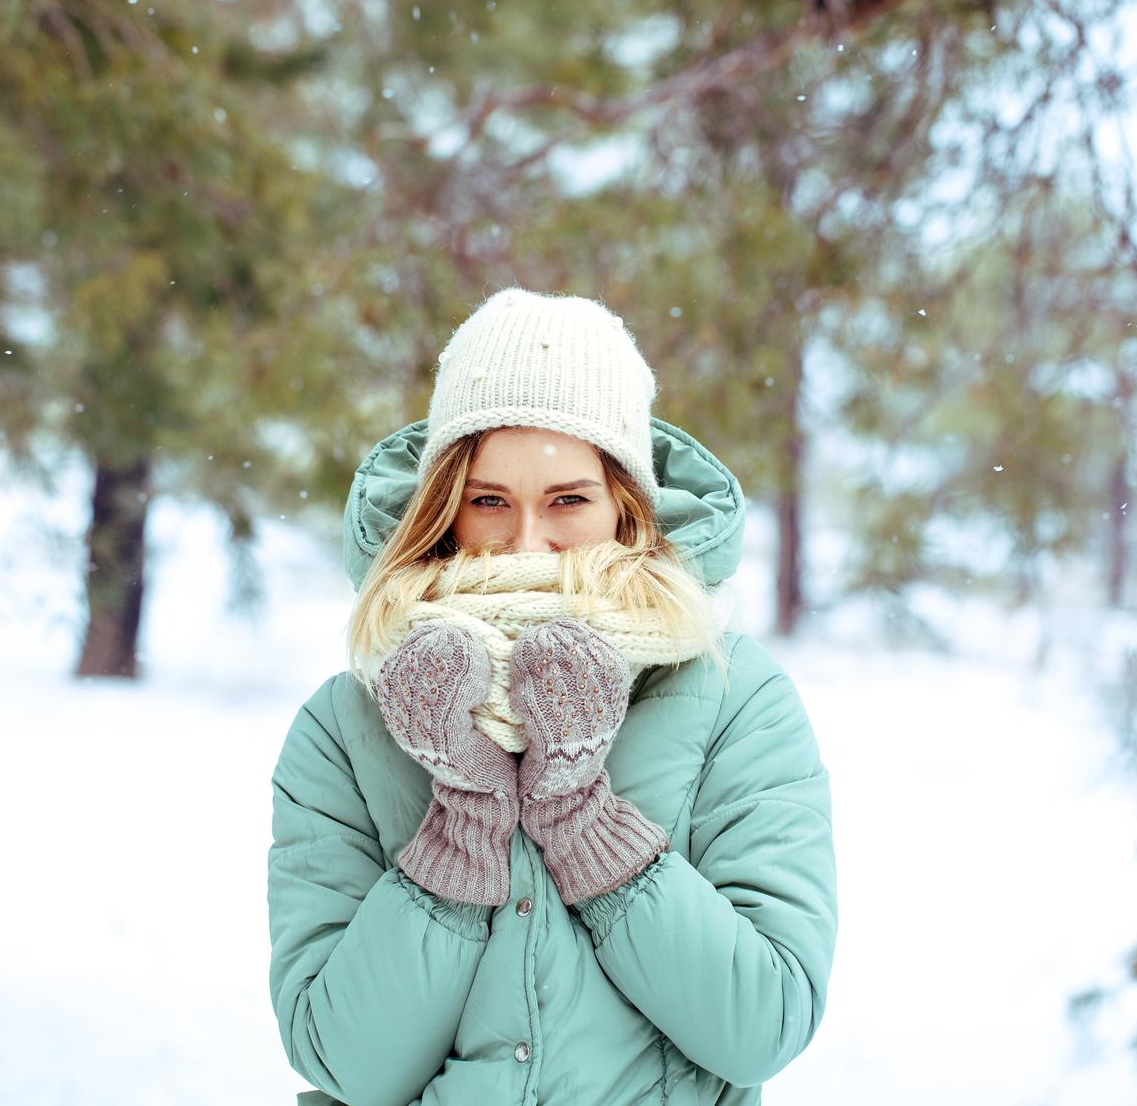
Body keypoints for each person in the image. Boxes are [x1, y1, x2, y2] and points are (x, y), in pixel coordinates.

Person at [266, 288, 838, 1106]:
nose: (527, 540)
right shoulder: (349, 722)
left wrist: (587, 827)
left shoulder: (732, 696)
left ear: (626, 506)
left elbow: (761, 1024)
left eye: (568, 499)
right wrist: (460, 832)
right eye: (489, 500)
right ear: (443, 509)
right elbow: (346, 1062)